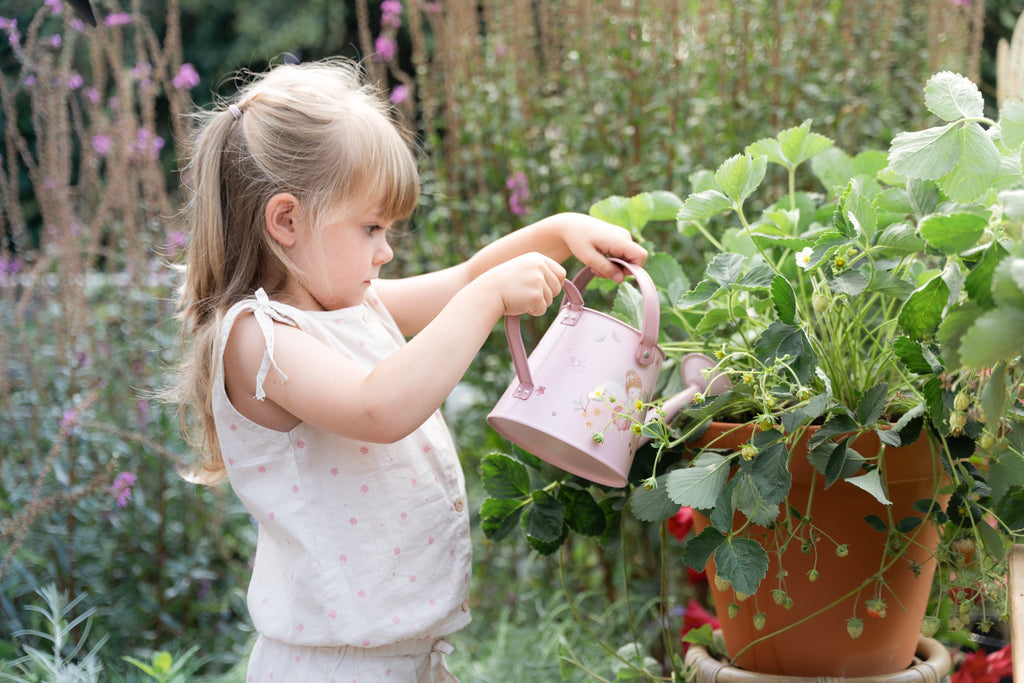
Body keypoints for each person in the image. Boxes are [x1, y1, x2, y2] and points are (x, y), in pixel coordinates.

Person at [171, 57, 646, 682]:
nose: (386, 250)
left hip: (401, 661)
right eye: (371, 227)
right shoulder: (257, 339)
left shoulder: (353, 304)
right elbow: (379, 407)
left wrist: (559, 232)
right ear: (286, 221)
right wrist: (487, 302)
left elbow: (465, 278)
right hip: (333, 668)